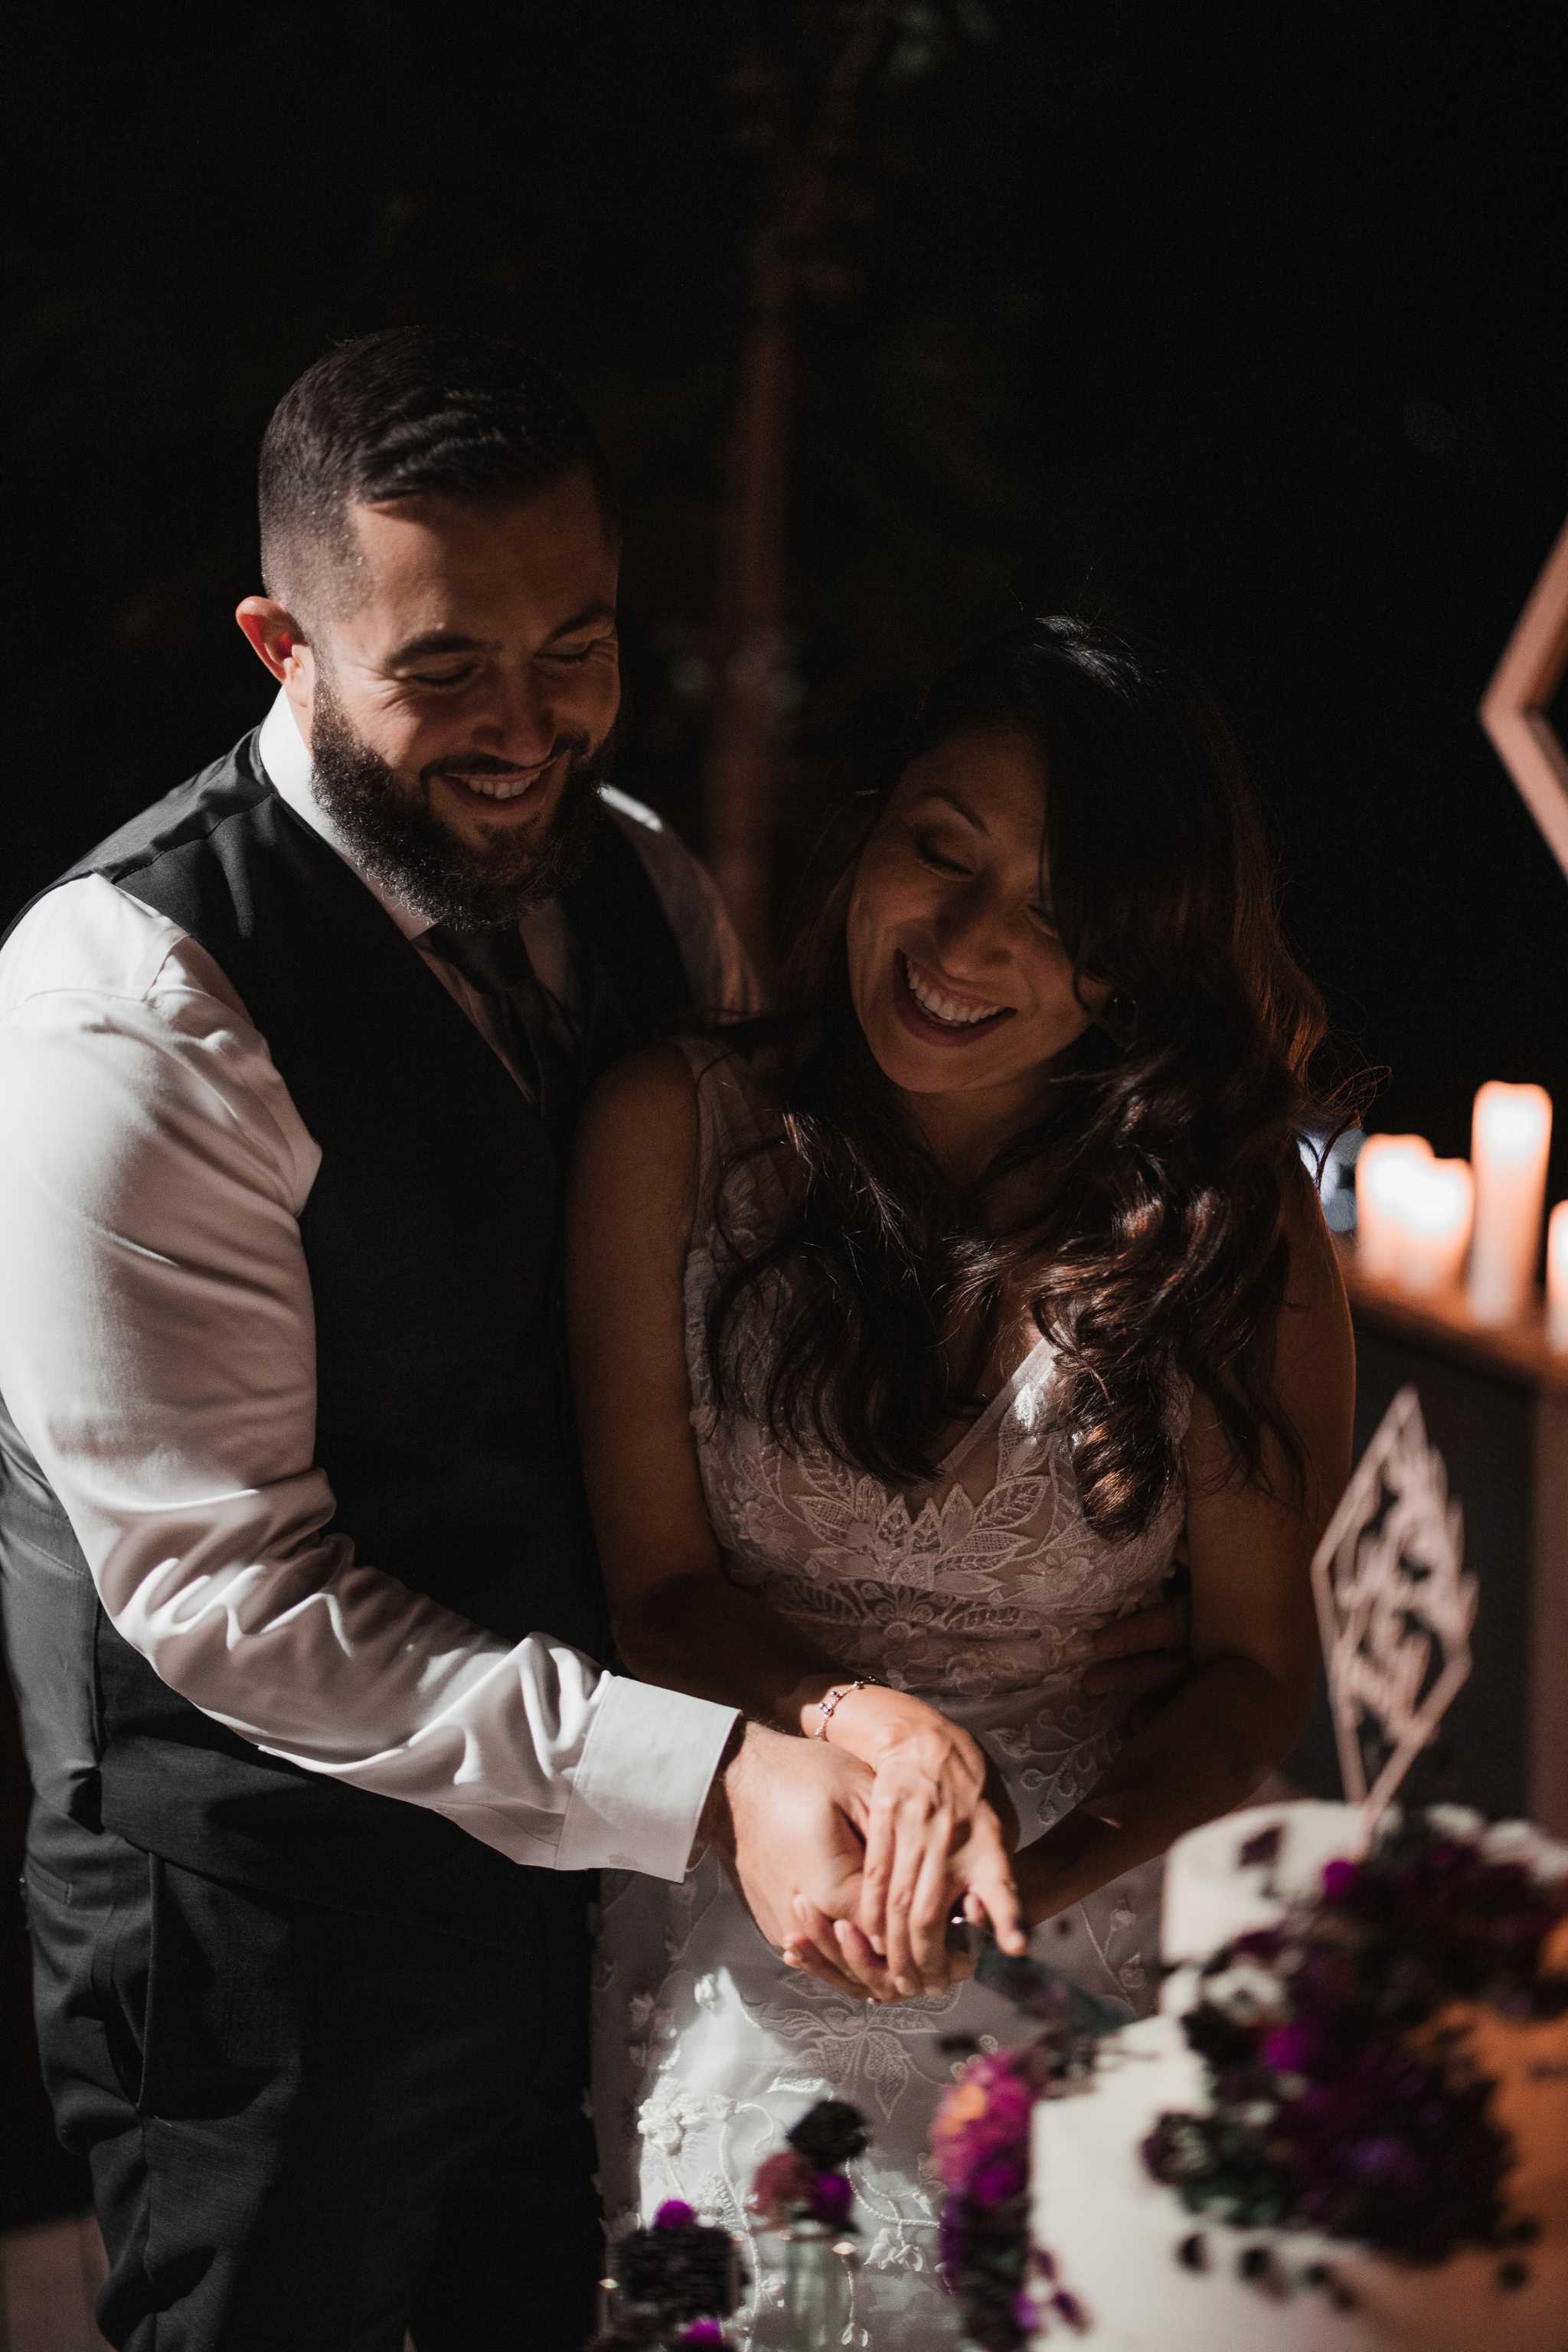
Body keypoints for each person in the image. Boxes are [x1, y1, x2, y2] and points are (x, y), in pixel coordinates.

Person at [0, 325, 897, 2352]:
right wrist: (706, 1772)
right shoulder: (124, 1003)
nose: (526, 728)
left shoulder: (655, 894)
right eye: (442, 670)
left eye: (571, 647)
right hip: (259, 1927)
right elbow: (235, 1602)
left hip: (581, 1891)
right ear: (278, 641)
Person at [573, 616, 1357, 2344]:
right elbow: (658, 1593)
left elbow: (1245, 1674)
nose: (967, 943)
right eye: (941, 849)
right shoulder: (675, 1129)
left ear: (1134, 964)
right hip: (775, 1858)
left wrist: (1032, 1883)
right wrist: (852, 1718)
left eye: (1061, 918)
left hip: (1106, 1886)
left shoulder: (1225, 1220)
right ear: (870, 831)